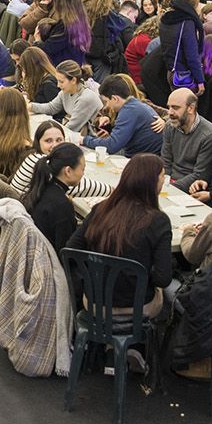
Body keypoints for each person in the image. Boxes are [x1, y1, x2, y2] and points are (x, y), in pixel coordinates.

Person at [62, 153, 172, 369]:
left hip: (94, 300)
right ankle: (138, 350)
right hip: (135, 305)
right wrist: (139, 266)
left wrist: (92, 269)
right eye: (162, 176)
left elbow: (71, 249)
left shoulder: (101, 209)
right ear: (151, 183)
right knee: (167, 296)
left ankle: (113, 348)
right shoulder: (158, 221)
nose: (163, 180)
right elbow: (163, 277)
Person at [21, 142, 86, 254]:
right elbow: (66, 253)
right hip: (51, 264)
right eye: (82, 169)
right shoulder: (61, 205)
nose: (83, 174)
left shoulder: (41, 188)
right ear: (68, 171)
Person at [80, 75, 161, 157]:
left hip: (144, 159)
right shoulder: (133, 105)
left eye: (106, 101)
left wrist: (84, 140)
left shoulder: (129, 111)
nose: (107, 105)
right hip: (143, 154)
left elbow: (112, 146)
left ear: (115, 99)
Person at [161, 86, 212, 191]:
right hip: (168, 182)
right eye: (169, 107)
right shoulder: (170, 126)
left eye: (175, 108)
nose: (170, 112)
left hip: (189, 188)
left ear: (190, 108)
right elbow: (166, 161)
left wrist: (170, 189)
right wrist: (162, 183)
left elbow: (200, 174)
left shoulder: (209, 136)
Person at [29, 60, 101, 134]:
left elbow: (72, 127)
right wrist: (30, 106)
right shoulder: (65, 92)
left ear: (73, 80)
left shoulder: (85, 98)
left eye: (61, 82)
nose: (58, 85)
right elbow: (51, 107)